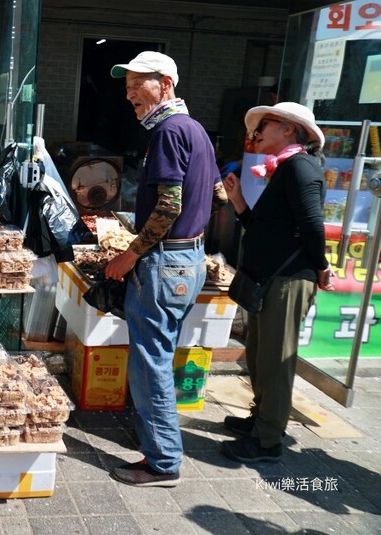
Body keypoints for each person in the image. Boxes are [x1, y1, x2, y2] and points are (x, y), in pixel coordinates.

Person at [105, 51, 226, 487]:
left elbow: (169, 204)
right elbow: (217, 196)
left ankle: (163, 462)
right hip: (187, 258)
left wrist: (131, 253)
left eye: (141, 83)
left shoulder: (168, 131)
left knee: (150, 363)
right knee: (158, 355)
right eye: (128, 86)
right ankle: (160, 447)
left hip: (164, 262)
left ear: (166, 85)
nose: (131, 93)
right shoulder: (195, 130)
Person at [221, 102, 334, 463]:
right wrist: (237, 200)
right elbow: (266, 229)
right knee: (258, 355)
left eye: (265, 125)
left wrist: (321, 267)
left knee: (275, 361)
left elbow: (313, 225)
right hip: (269, 279)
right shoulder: (286, 168)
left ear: (288, 129)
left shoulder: (300, 167)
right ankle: (260, 420)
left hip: (286, 281)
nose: (257, 133)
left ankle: (268, 440)